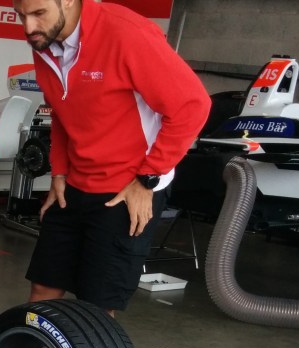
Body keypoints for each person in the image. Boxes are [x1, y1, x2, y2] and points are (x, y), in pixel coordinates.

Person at [12, 0, 209, 314]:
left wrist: (148, 179)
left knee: (97, 306)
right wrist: (59, 171)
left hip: (126, 188)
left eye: (38, 14)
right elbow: (62, 110)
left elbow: (193, 106)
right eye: (20, 15)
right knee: (43, 288)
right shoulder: (46, 42)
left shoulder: (127, 33)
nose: (28, 28)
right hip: (75, 183)